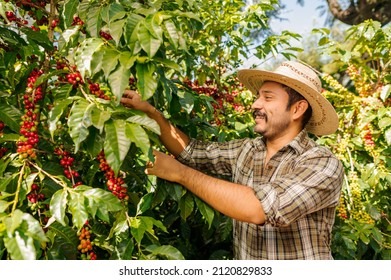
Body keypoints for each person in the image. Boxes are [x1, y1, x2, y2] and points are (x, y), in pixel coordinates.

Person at [121, 61, 344, 260]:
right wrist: (150, 112)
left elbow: (260, 208)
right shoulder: (246, 150)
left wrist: (179, 173)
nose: (255, 104)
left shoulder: (322, 163)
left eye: (267, 97)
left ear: (297, 109)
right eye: (258, 97)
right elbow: (191, 152)